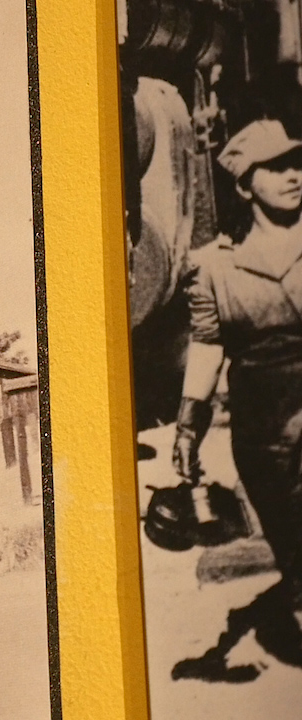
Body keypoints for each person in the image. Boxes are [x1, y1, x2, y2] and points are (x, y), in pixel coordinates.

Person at [174, 118, 302, 619]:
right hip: (263, 431)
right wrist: (188, 428)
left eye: (295, 163)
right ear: (245, 185)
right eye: (273, 168)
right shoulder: (214, 268)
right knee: (291, 546)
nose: (292, 175)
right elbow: (207, 348)